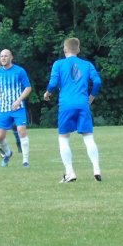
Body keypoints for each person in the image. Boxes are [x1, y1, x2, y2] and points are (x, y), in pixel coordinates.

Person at [44, 38, 103, 183]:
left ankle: (70, 172)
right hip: (83, 104)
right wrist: (91, 97)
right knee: (88, 137)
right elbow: (97, 82)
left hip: (66, 105)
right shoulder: (87, 64)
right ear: (78, 50)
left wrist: (47, 93)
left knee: (63, 138)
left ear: (65, 49)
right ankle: (96, 169)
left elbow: (53, 83)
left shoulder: (58, 64)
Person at [0, 49, 32, 167]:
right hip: (3, 109)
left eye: (6, 56)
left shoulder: (19, 71)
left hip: (18, 108)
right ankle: (8, 153)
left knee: (21, 131)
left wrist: (18, 100)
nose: (3, 58)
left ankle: (25, 160)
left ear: (11, 57)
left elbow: (28, 88)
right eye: (1, 56)